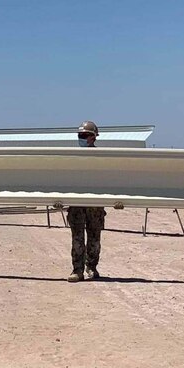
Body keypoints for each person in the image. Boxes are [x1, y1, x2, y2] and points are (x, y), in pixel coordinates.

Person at [67, 120, 107, 283]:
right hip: (77, 203)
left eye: (85, 135)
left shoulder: (101, 158)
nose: (81, 138)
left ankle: (91, 267)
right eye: (80, 135)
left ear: (93, 138)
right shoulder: (73, 158)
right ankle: (77, 270)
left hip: (94, 204)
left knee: (94, 238)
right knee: (77, 238)